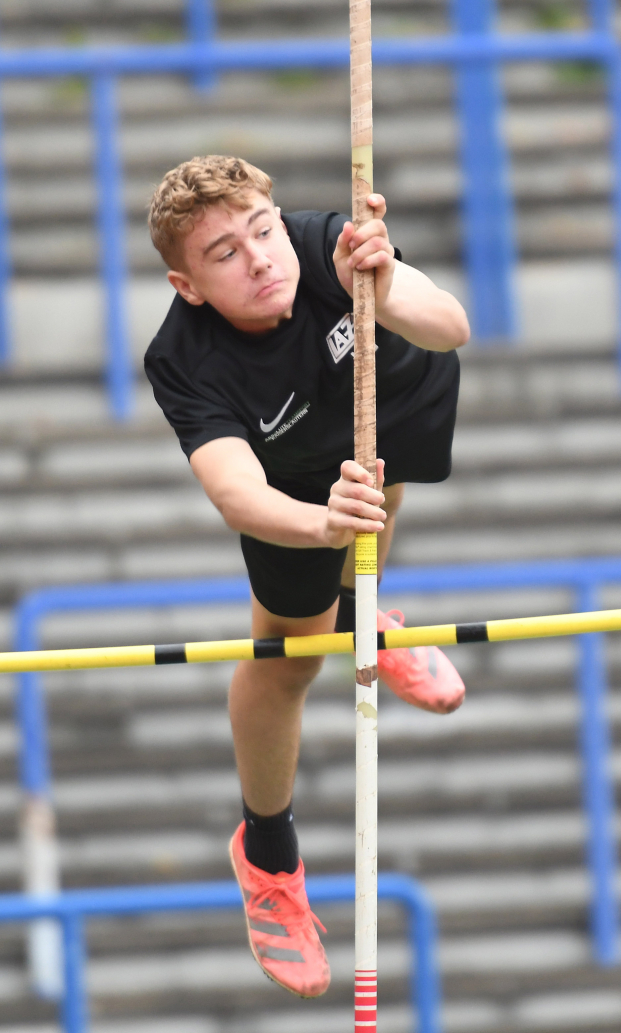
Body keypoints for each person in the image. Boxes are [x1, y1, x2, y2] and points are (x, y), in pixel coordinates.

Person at [144, 154, 470, 998]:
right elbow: (235, 493)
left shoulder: (330, 246)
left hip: (391, 398)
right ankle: (266, 856)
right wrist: (319, 526)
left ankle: (367, 614)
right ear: (188, 286)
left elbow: (450, 325)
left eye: (262, 231)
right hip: (292, 484)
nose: (259, 258)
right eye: (225, 254)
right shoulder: (185, 358)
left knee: (380, 484)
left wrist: (387, 285)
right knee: (291, 658)